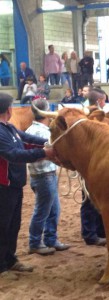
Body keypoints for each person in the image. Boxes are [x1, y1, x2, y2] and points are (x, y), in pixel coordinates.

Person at [0, 92, 55, 280]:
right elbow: (13, 154)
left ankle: (10, 259)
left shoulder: (9, 128)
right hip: (3, 185)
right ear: (8, 109)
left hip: (14, 184)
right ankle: (1, 267)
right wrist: (45, 153)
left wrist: (51, 143)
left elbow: (28, 139)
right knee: (2, 226)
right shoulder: (0, 131)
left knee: (13, 225)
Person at [26, 98, 70, 255]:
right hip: (44, 175)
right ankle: (35, 242)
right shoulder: (43, 132)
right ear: (46, 112)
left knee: (53, 209)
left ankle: (50, 239)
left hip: (41, 175)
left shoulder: (31, 130)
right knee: (43, 210)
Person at [81, 89, 107, 246]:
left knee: (98, 198)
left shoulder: (88, 117)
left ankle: (99, 231)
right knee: (89, 200)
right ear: (99, 101)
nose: (104, 103)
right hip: (90, 164)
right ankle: (89, 234)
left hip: (98, 164)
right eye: (103, 100)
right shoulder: (90, 119)